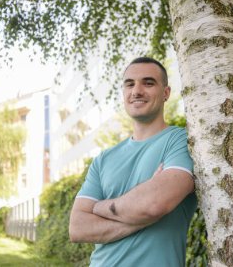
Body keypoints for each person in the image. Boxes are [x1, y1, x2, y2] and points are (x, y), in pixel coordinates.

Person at [69, 56, 197, 267]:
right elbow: (77, 227)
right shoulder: (103, 159)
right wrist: (140, 216)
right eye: (130, 84)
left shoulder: (182, 141)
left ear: (166, 93)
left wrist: (99, 207)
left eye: (148, 83)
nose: (136, 91)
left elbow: (153, 205)